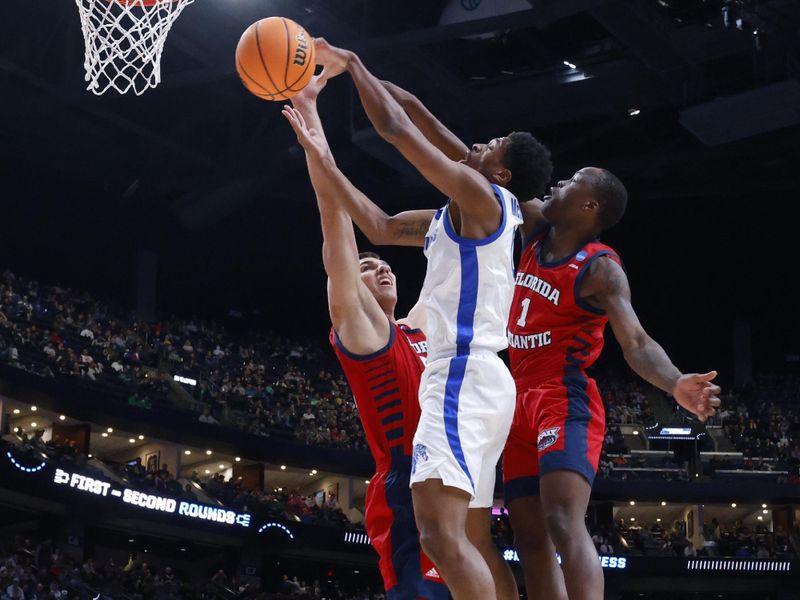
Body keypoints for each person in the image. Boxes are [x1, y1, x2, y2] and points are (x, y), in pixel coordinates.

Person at [314, 39, 552, 600]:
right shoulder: (464, 212)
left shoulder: (482, 195)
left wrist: (349, 63)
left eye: (491, 145)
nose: (477, 143)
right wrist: (322, 156)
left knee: (439, 538)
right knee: (471, 538)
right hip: (485, 382)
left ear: (504, 172)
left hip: (461, 376)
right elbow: (378, 224)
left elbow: (398, 129)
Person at [502, 170, 721, 600]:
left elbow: (636, 342)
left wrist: (675, 382)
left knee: (563, 522)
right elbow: (480, 171)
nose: (557, 183)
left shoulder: (600, 268)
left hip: (563, 398)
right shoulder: (532, 226)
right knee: (528, 538)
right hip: (516, 398)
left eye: (571, 181)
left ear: (590, 206)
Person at [281, 75, 447, 599]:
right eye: (368, 266)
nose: (382, 270)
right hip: (404, 486)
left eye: (385, 265)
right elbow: (337, 230)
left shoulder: (415, 326)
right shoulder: (363, 332)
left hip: (450, 478)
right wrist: (313, 124)